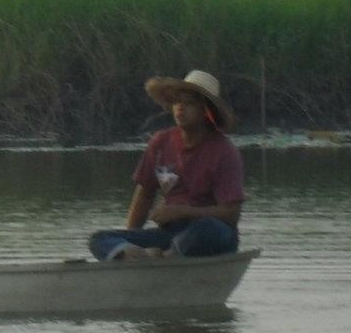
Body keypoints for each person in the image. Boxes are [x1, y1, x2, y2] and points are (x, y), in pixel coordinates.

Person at [89, 70, 244, 261]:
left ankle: (167, 255)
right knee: (100, 239)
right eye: (177, 102)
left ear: (206, 111)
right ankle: (138, 256)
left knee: (208, 229)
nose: (180, 108)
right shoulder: (161, 142)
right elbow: (145, 194)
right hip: (169, 234)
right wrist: (132, 238)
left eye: (189, 103)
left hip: (209, 234)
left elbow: (231, 213)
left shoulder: (224, 151)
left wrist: (182, 211)